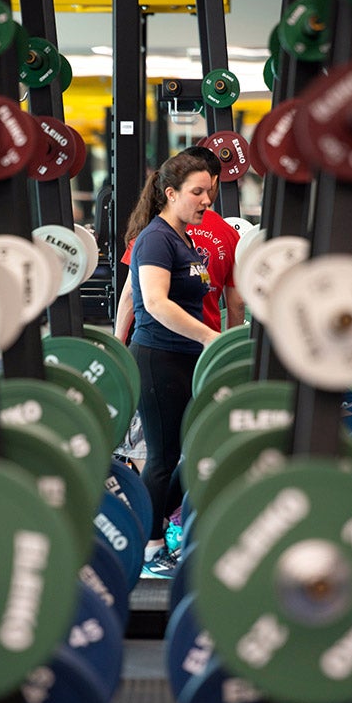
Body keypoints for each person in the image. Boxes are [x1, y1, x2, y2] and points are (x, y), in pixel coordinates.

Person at [121, 152, 220, 578]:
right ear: (170, 193)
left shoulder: (182, 239)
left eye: (210, 193)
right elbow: (155, 302)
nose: (206, 201)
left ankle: (161, 529)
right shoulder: (156, 239)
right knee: (163, 457)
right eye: (197, 192)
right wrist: (209, 337)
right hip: (159, 358)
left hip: (184, 360)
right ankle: (147, 548)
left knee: (191, 453)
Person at [114, 145, 245, 343]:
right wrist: (226, 349)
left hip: (193, 347)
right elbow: (237, 304)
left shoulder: (162, 231)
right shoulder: (228, 234)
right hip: (179, 347)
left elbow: (130, 294)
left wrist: (117, 343)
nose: (205, 200)